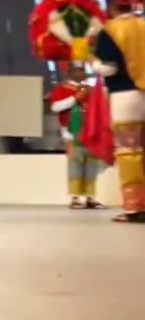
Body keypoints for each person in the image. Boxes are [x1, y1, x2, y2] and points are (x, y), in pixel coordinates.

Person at [91, 0, 145, 224]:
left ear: (111, 6)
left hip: (125, 97)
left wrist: (93, 63)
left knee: (129, 151)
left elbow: (110, 68)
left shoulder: (110, 31)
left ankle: (134, 207)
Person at [48, 62, 106, 210]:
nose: (82, 73)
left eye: (83, 70)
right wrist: (76, 98)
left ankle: (90, 197)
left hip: (90, 131)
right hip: (71, 132)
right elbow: (55, 107)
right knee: (76, 164)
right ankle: (75, 197)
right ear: (70, 72)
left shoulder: (90, 89)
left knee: (91, 165)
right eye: (79, 70)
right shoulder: (62, 89)